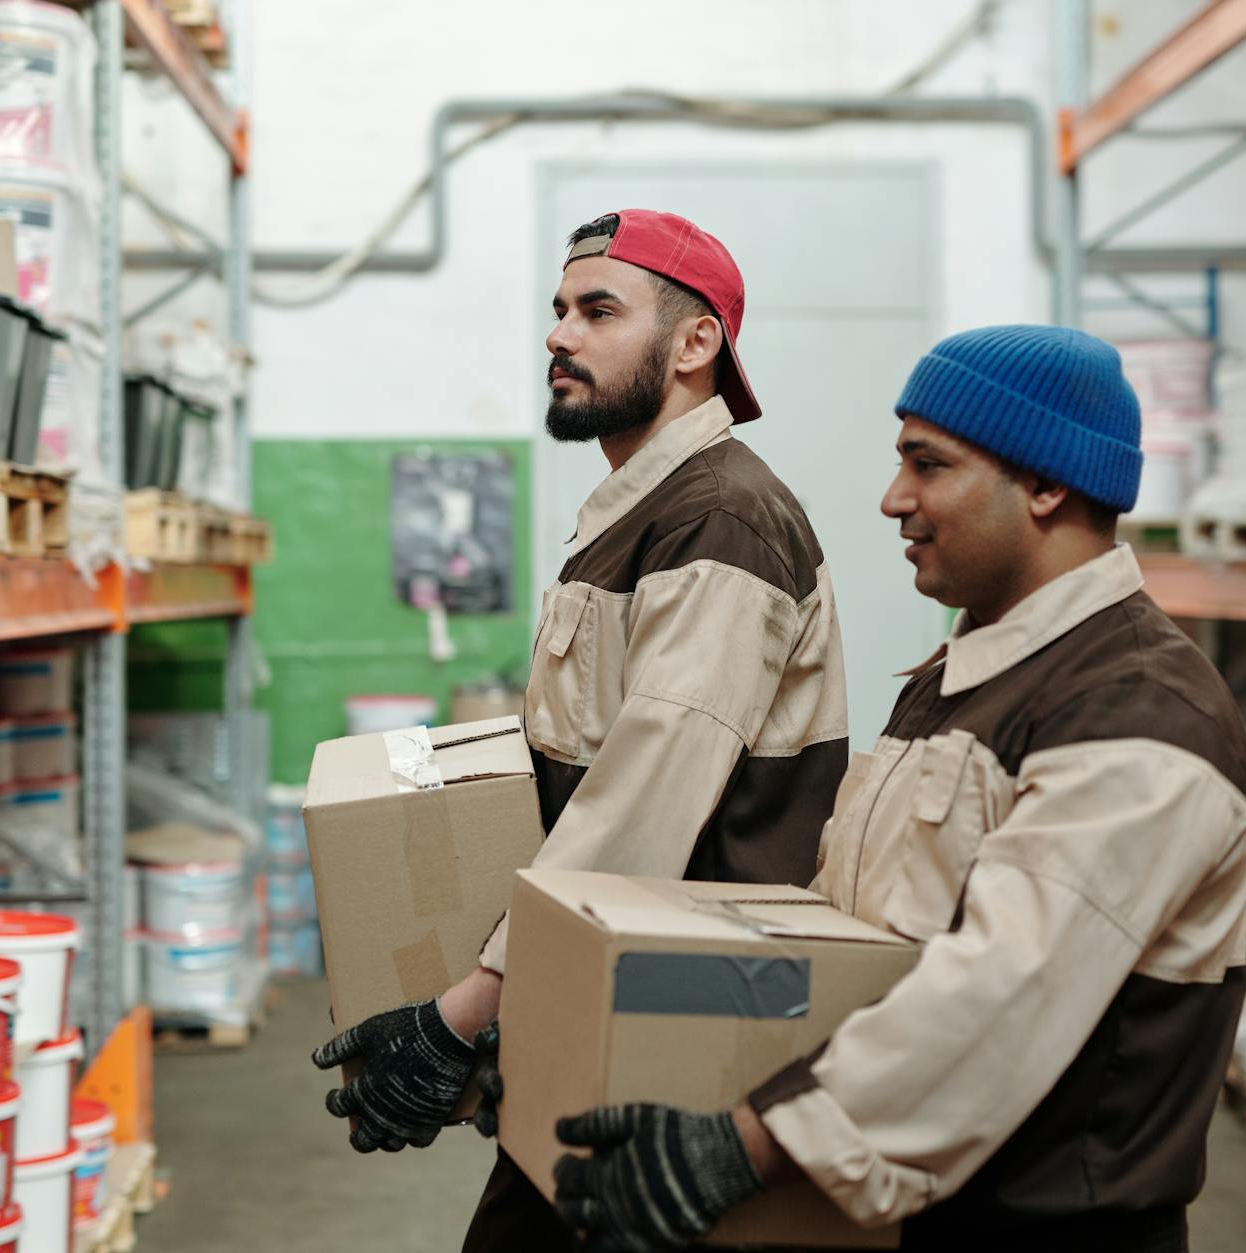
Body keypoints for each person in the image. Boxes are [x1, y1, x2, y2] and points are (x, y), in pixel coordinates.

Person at [547, 324, 1246, 1253]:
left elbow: (1000, 995)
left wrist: (744, 1144)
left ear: (1047, 484)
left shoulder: (1141, 712)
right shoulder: (963, 674)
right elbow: (853, 928)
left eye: (929, 466)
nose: (894, 500)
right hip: (903, 1214)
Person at [311, 209, 851, 1250]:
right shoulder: (635, 510)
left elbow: (646, 793)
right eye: (557, 310)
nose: (558, 334)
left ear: (695, 345)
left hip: (686, 1019)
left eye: (598, 309)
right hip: (617, 987)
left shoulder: (718, 518)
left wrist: (461, 1010)